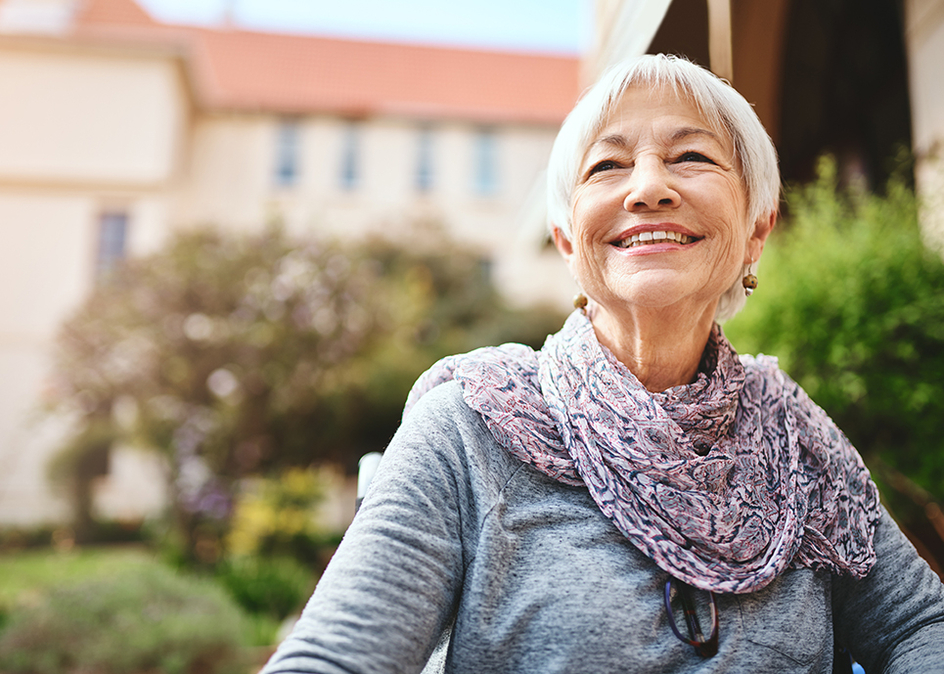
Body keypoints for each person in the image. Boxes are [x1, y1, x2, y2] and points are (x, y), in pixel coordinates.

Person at [260, 55, 944, 673]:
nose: (648, 188)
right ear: (567, 241)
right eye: (607, 166)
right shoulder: (466, 432)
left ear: (756, 230)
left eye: (691, 158)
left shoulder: (799, 444)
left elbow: (920, 626)